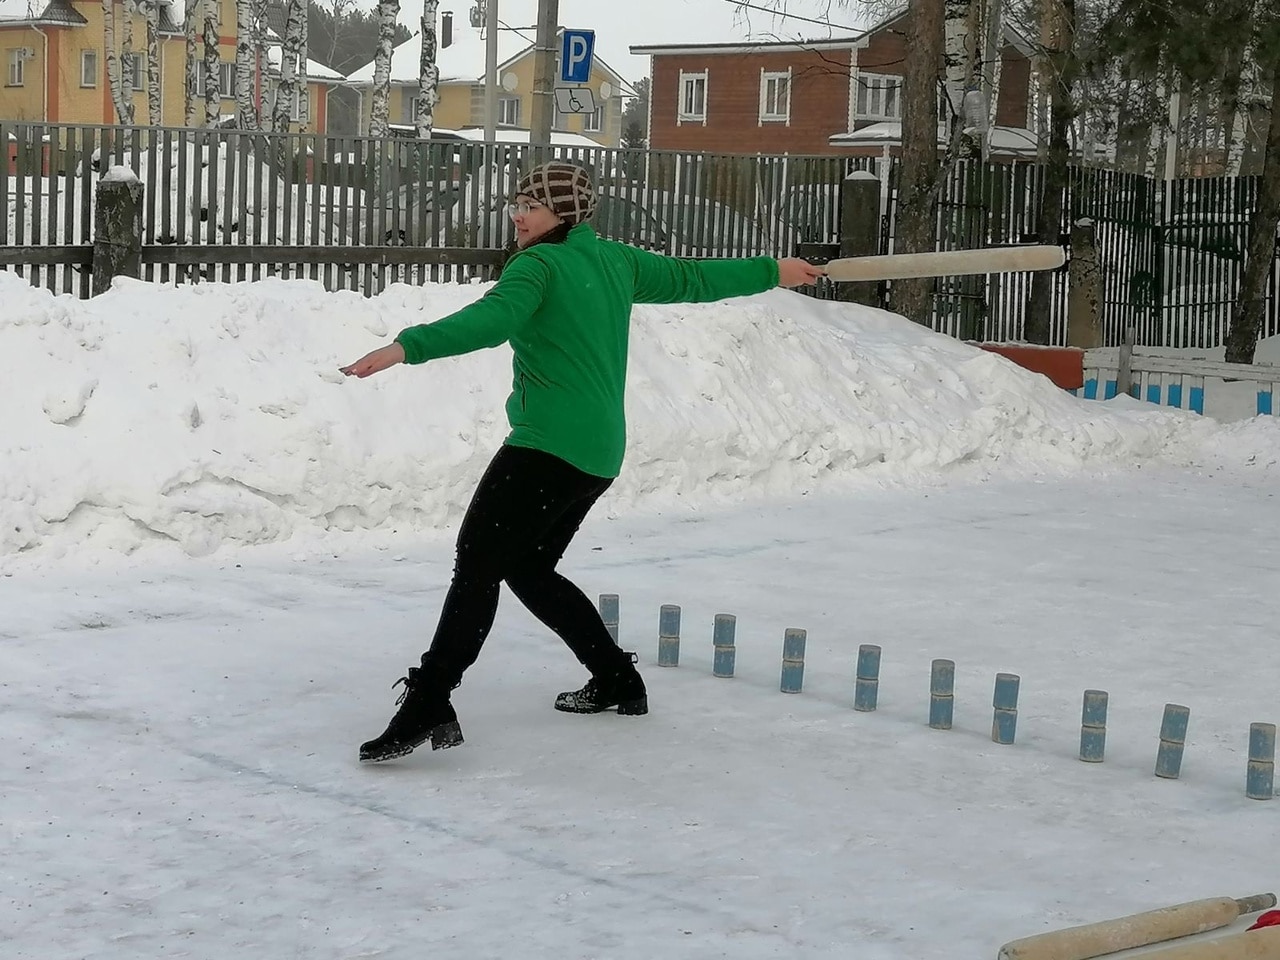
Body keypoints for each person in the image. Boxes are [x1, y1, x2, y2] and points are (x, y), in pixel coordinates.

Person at [341, 162, 824, 763]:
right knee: (530, 569)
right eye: (518, 201)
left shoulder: (538, 266)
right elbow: (692, 278)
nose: (519, 214)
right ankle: (616, 680)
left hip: (546, 446)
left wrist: (403, 347)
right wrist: (772, 270)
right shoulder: (614, 261)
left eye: (533, 205)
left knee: (478, 566)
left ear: (563, 215)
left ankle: (430, 701)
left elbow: (490, 321)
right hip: (597, 452)